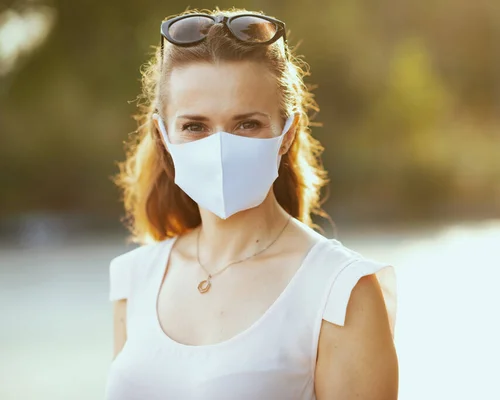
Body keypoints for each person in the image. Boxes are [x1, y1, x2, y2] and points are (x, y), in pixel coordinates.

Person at [106, 8, 398, 400]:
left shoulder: (341, 291)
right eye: (195, 126)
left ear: (287, 133)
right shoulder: (134, 278)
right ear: (163, 135)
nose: (220, 147)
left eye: (247, 124)